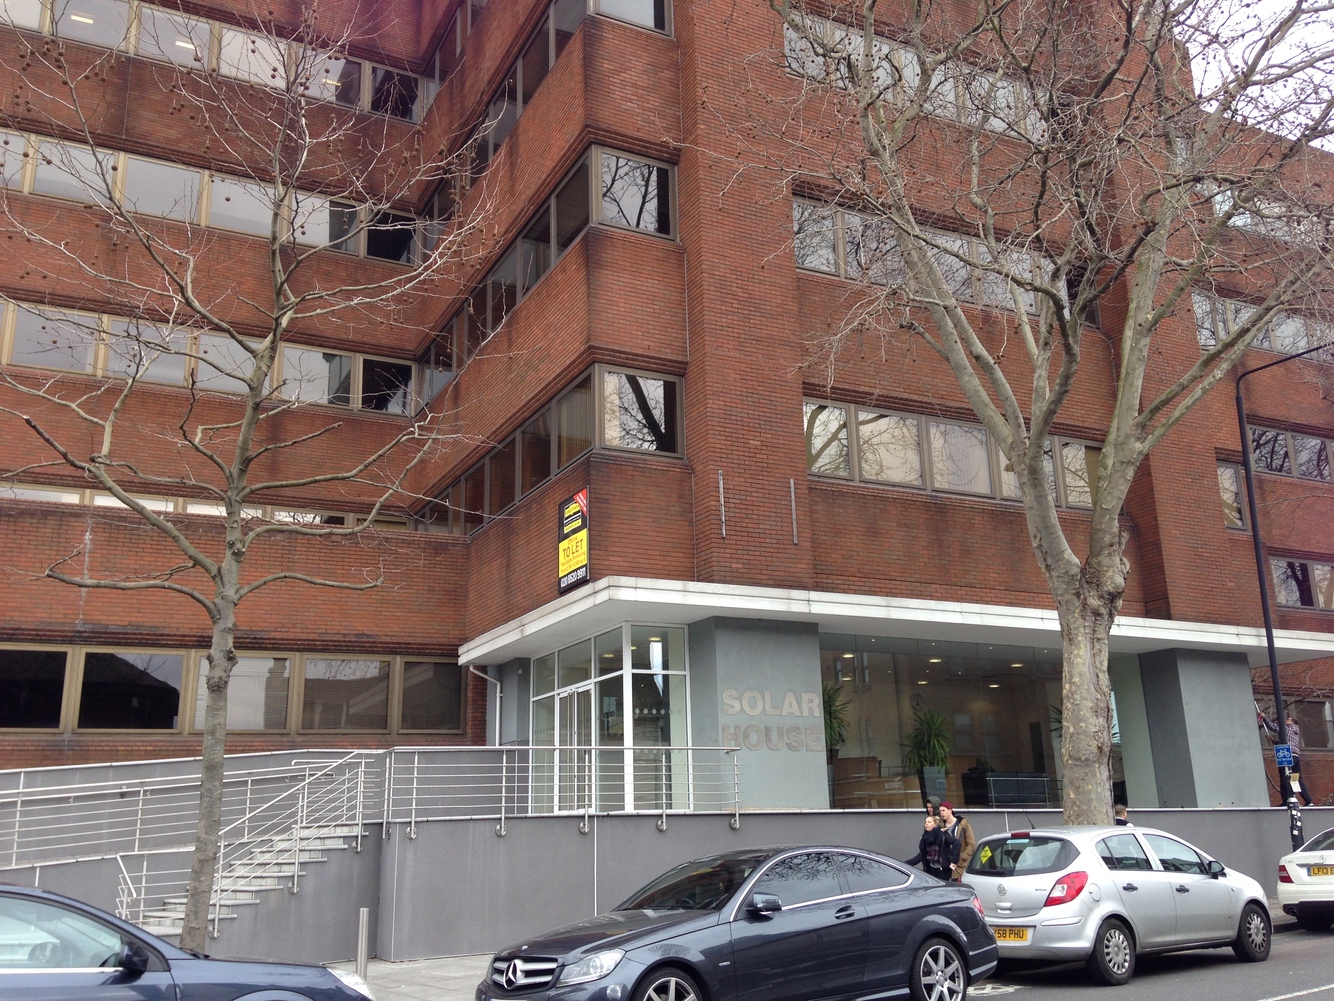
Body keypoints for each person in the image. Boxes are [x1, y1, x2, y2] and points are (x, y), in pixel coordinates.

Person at [1258, 710, 1315, 806]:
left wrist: (1264, 717)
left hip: (1287, 756)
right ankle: (1308, 800)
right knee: (1296, 778)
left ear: (1292, 722)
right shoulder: (1295, 731)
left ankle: (1287, 800)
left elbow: (1273, 727)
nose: (1285, 720)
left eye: (1288, 719)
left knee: (1285, 777)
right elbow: (1286, 742)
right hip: (1295, 756)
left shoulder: (1286, 728)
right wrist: (1274, 742)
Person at [905, 815, 958, 881]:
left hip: (943, 869)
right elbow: (921, 855)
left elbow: (957, 843)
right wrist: (905, 864)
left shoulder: (943, 834)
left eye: (929, 822)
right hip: (931, 868)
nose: (926, 824)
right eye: (925, 822)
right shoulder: (924, 837)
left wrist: (954, 861)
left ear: (935, 824)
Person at [938, 802, 976, 880]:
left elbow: (971, 845)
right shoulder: (941, 827)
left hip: (959, 866)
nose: (941, 813)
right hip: (945, 867)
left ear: (950, 810)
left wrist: (961, 857)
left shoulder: (963, 825)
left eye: (943, 810)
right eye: (940, 811)